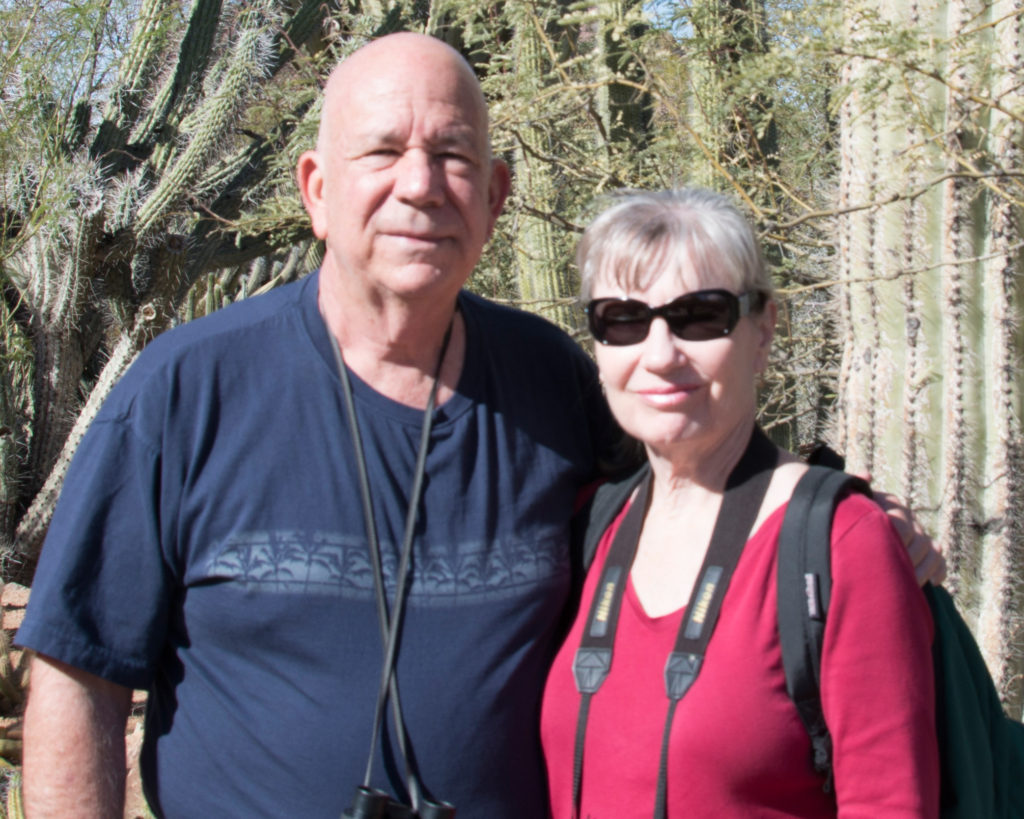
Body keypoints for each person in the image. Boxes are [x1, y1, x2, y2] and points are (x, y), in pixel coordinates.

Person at [18, 35, 940, 819]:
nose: (420, 185)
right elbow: (77, 669)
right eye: (382, 152)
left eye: (454, 155)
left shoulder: (552, 382)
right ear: (314, 189)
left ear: (496, 196)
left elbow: (696, 467)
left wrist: (842, 521)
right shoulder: (189, 389)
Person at [540, 188, 940, 818]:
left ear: (763, 329)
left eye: (701, 315)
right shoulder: (591, 525)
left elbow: (890, 803)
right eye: (623, 318)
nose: (660, 353)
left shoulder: (841, 543)